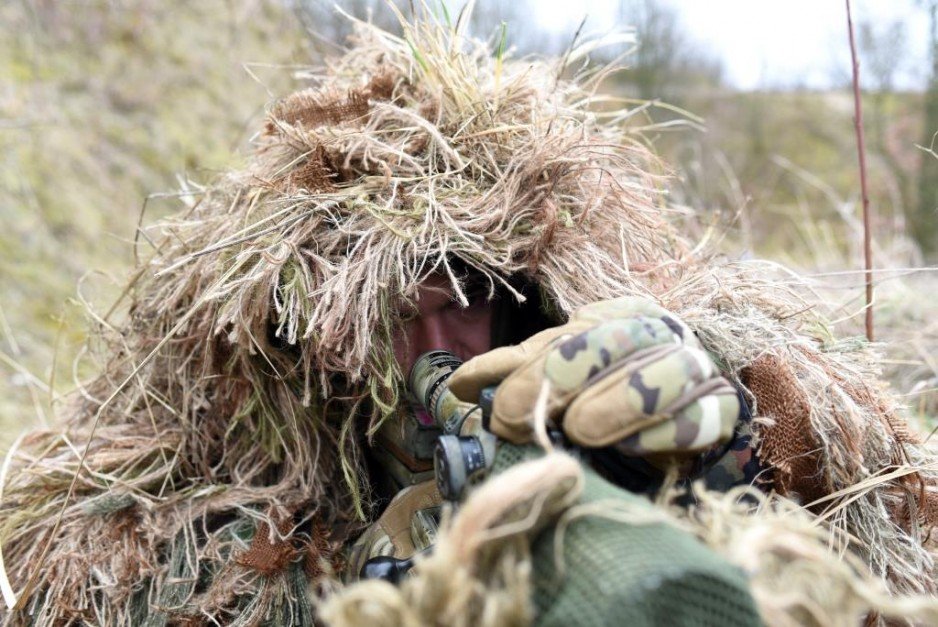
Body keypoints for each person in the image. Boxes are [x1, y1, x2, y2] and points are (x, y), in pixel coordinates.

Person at [1, 11, 935, 626]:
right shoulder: (260, 443)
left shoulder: (589, 369)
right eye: (410, 313)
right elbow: (79, 550)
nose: (445, 343)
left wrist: (743, 436)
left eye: (474, 300)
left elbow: (892, 505)